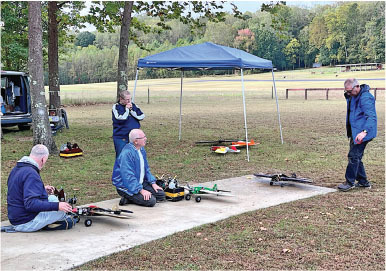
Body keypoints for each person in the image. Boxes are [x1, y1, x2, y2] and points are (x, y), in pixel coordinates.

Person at [4, 144, 75, 232]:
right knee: (62, 211)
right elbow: (30, 204)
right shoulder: (31, 174)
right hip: (25, 222)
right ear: (43, 159)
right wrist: (57, 206)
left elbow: (18, 190)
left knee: (52, 198)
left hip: (16, 216)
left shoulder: (17, 169)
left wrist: (41, 189)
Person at [338, 79, 377, 192]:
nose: (348, 94)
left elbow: (371, 117)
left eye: (350, 91)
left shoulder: (365, 98)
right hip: (355, 132)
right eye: (346, 91)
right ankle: (363, 182)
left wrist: (364, 132)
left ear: (357, 87)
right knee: (356, 157)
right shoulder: (353, 96)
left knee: (353, 156)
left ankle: (349, 182)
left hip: (362, 133)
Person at [112, 129, 165, 207]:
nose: (145, 139)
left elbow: (146, 168)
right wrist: (141, 190)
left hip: (139, 182)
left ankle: (130, 199)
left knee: (161, 194)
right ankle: (127, 196)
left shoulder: (141, 149)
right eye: (143, 137)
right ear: (136, 141)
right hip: (126, 185)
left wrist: (153, 183)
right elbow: (127, 177)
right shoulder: (126, 154)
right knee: (151, 201)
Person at [112, 90, 145, 158]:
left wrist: (131, 110)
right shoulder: (116, 107)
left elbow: (141, 116)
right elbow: (120, 118)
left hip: (134, 138)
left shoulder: (133, 105)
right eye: (127, 99)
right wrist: (127, 110)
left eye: (130, 99)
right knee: (122, 157)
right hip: (121, 137)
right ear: (121, 99)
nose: (129, 101)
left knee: (135, 157)